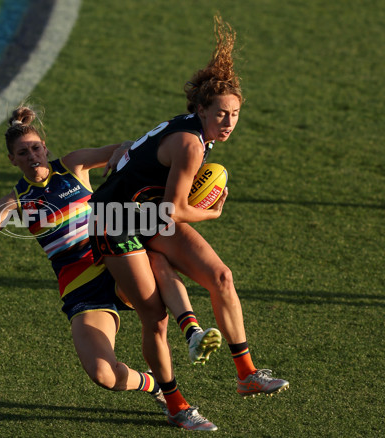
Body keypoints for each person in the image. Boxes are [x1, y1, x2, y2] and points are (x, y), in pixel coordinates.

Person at [0, 104, 221, 431]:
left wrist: (125, 159)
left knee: (154, 264)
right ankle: (153, 384)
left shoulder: (73, 165)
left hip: (113, 259)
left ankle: (190, 340)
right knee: (103, 375)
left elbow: (127, 148)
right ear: (12, 160)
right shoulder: (18, 200)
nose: (32, 156)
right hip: (81, 288)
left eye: (36, 148)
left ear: (46, 148)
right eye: (23, 153)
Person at [88, 15, 289, 430]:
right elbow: (178, 208)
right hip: (114, 220)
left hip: (148, 211)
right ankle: (176, 405)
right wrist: (212, 212)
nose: (229, 122)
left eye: (234, 114)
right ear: (200, 109)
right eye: (221, 113)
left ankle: (247, 374)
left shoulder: (199, 134)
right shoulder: (190, 144)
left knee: (221, 276)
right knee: (154, 316)